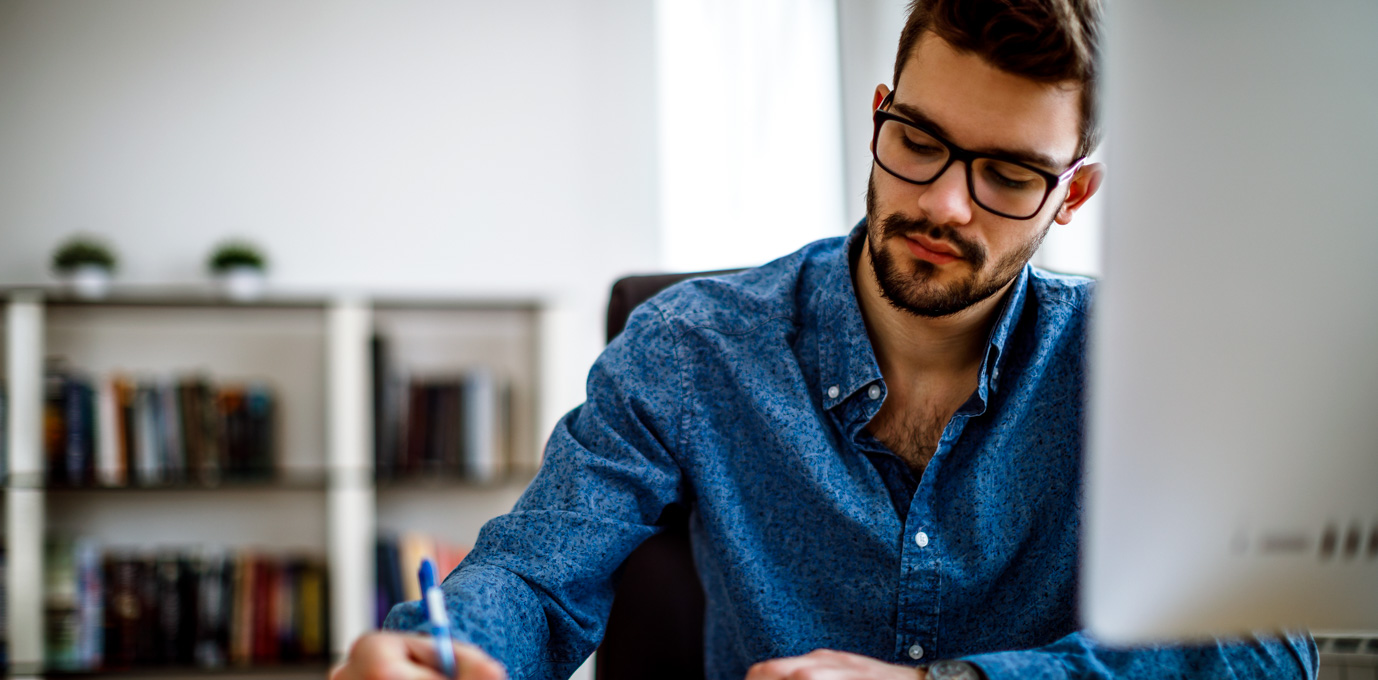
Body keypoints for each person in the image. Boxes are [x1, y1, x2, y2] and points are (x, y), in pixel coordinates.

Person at [334, 0, 1318, 678]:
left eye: (1009, 174)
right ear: (879, 116)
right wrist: (438, 645)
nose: (941, 201)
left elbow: (1270, 645)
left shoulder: (1144, 365)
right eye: (920, 140)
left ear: (1073, 194)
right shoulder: (689, 348)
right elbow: (538, 568)